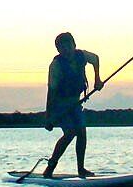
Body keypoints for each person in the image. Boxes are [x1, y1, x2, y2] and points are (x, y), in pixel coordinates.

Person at [43, 32, 103, 178]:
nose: (66, 50)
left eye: (68, 46)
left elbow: (96, 59)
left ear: (74, 45)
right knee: (70, 133)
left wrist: (97, 79)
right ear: (58, 50)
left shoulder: (82, 55)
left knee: (81, 132)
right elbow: (51, 91)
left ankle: (81, 169)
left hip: (75, 103)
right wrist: (49, 117)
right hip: (60, 105)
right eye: (62, 48)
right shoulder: (56, 65)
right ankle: (50, 167)